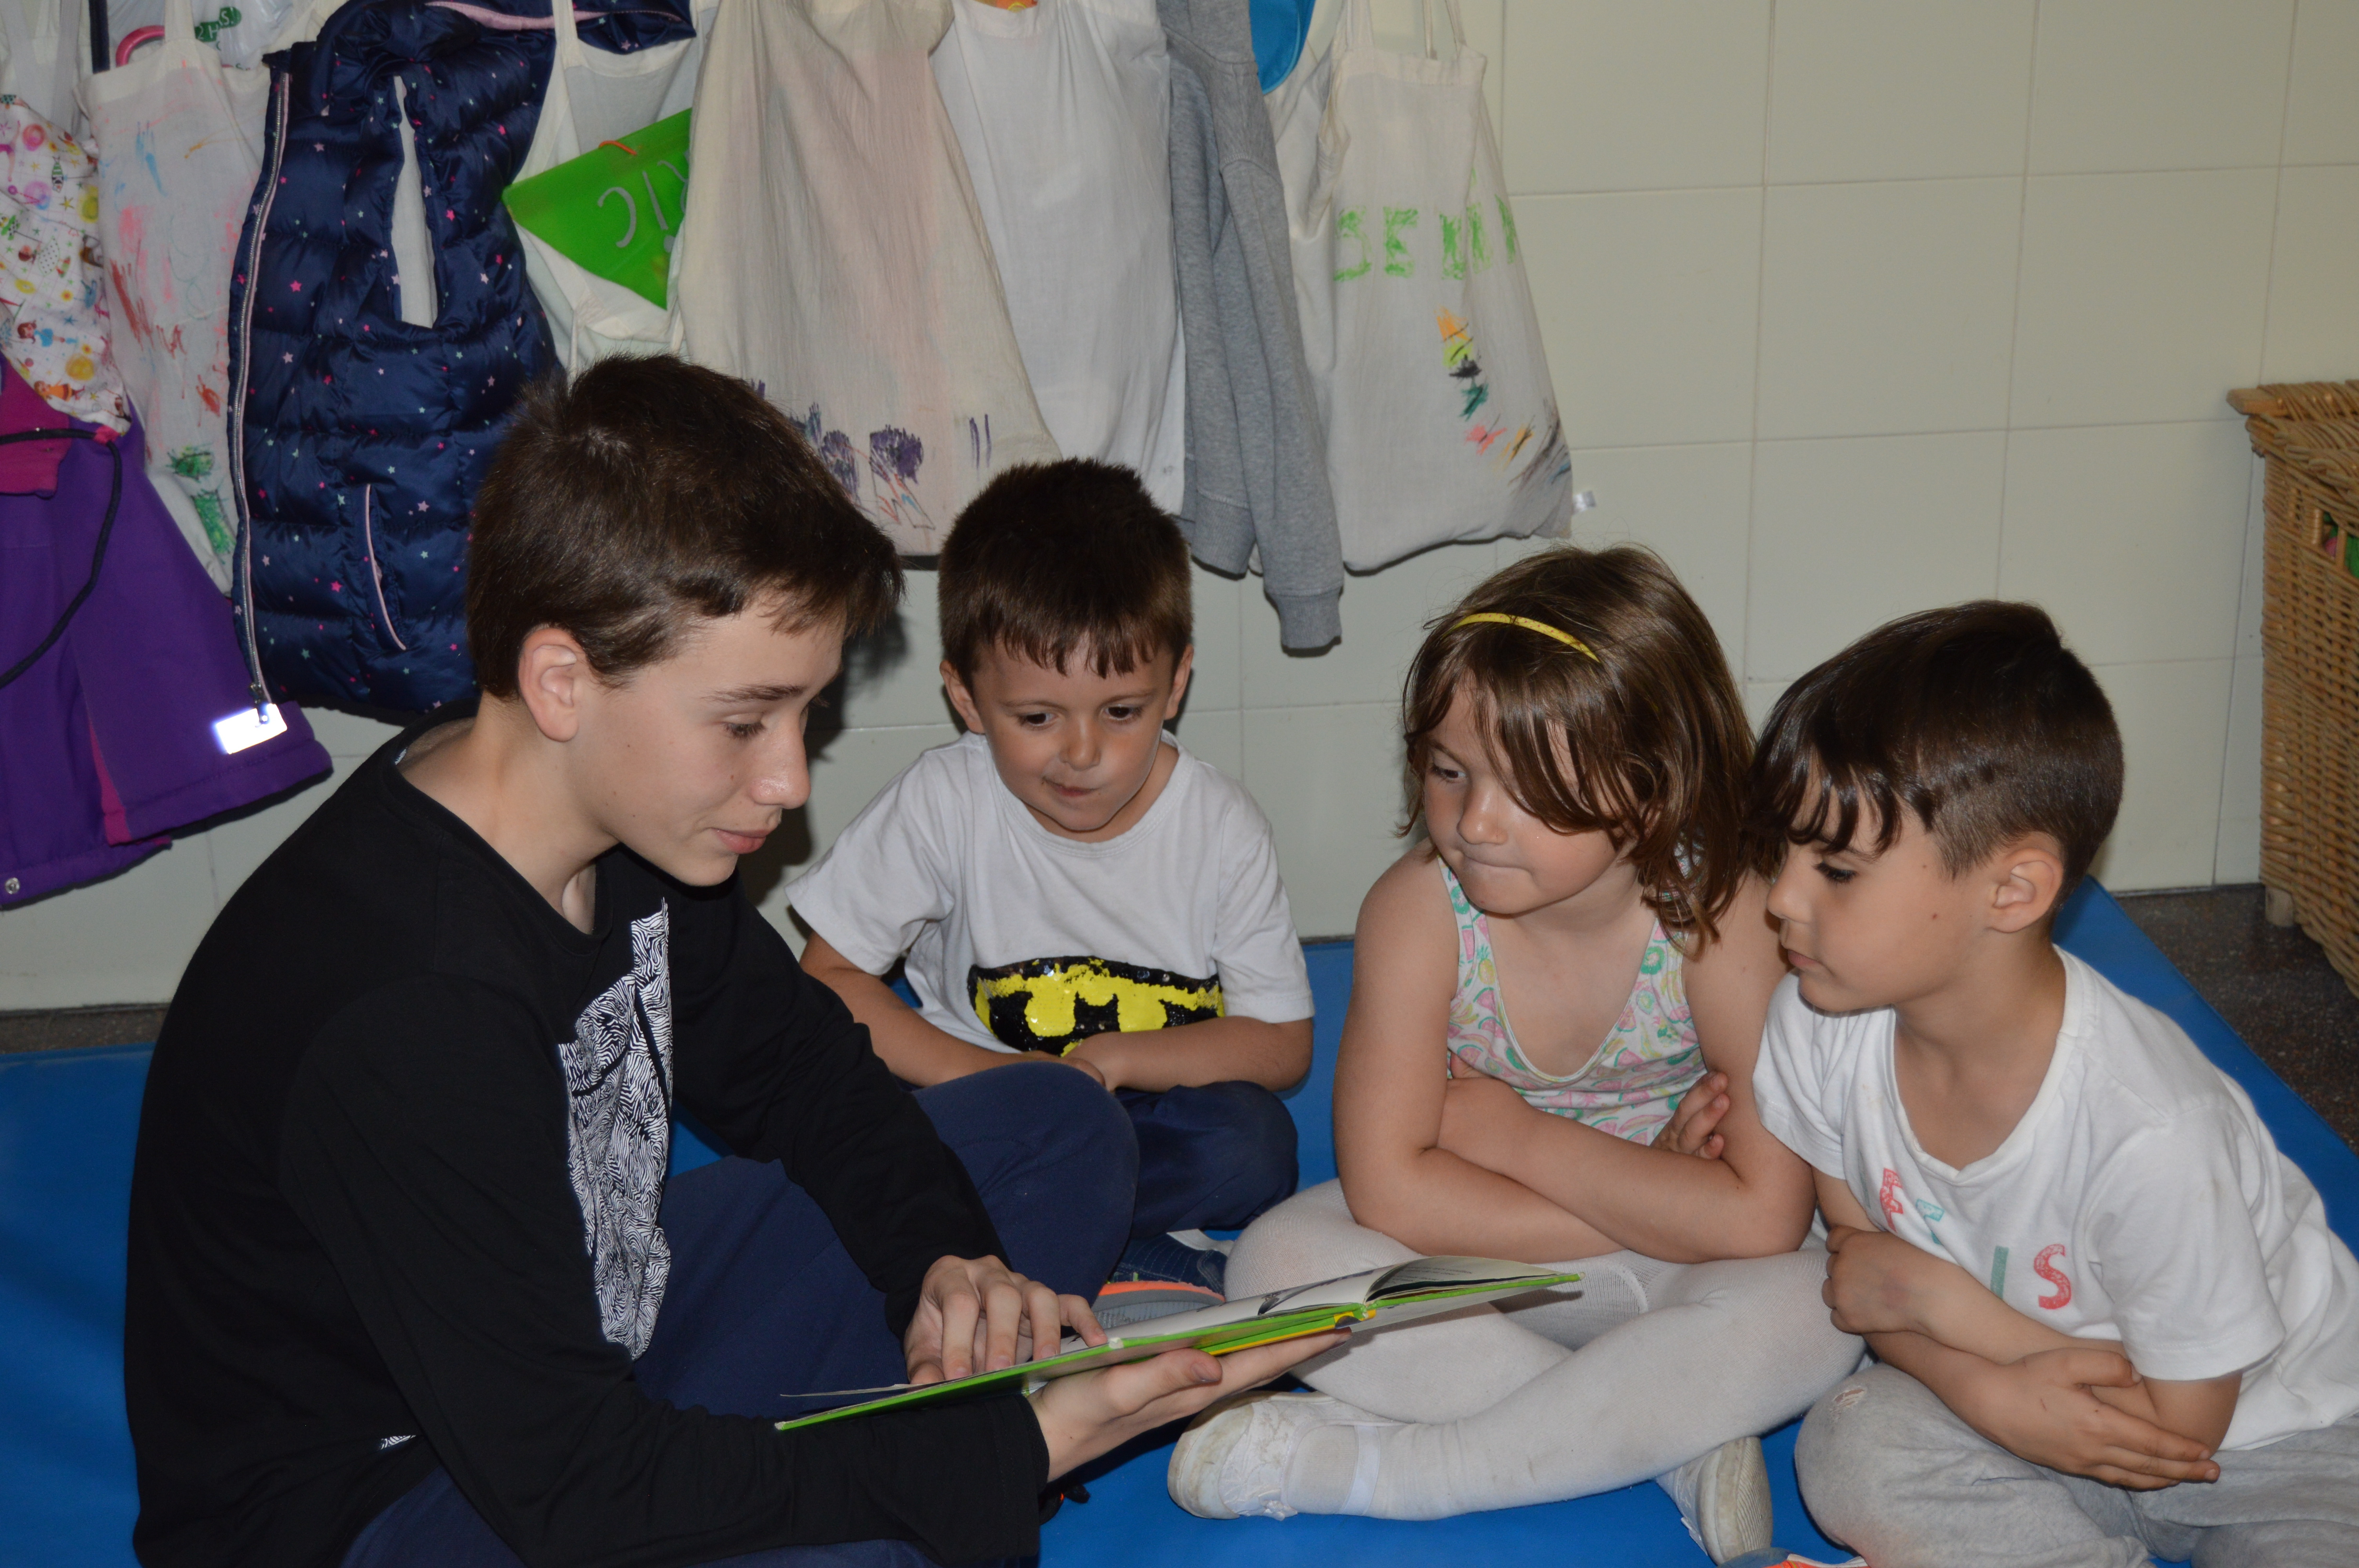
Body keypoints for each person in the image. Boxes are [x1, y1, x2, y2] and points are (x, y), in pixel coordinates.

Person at [120, 357, 1336, 1568]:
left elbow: (805, 1075)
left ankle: (918, 1424)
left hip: (597, 1337)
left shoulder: (624, 823)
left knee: (1058, 1128)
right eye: (747, 722)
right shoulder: (413, 1008)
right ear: (562, 683)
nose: (790, 780)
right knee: (887, 1528)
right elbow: (577, 1491)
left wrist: (945, 1260)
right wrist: (1014, 1453)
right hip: (400, 1503)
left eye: (805, 715)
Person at [1169, 546, 1861, 1564]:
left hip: (1668, 1266)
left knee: (1818, 1303)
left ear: (1653, 790)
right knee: (1278, 1262)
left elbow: (1763, 1217)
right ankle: (1663, 1444)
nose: (1475, 821)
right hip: (1505, 1254)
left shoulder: (1719, 918)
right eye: (1449, 772)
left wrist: (1516, 1137)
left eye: (1529, 788)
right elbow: (1389, 1189)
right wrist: (1656, 1189)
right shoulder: (1418, 912)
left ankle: (1409, 1471)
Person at [1747, 601, 2359, 1568]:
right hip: (2016, 1414)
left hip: (2268, 1444)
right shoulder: (1819, 1023)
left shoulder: (2149, 1127)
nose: (1780, 895)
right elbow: (1862, 1276)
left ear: (2013, 890)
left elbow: (2183, 1427)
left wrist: (1952, 1315)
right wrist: (1981, 1390)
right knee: (1851, 1437)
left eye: (1835, 868)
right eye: (1778, 851)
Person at [791, 459, 1314, 1312]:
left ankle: (1055, 1244)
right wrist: (995, 1080)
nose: (1081, 753)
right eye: (1036, 718)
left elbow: (1281, 1043)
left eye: (1122, 712)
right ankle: (1110, 1249)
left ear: (1176, 683)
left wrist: (1114, 1062)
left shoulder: (1220, 824)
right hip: (978, 1106)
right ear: (966, 698)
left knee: (1252, 1142)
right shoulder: (942, 798)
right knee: (862, 1134)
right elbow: (828, 979)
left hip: (1134, 1118)